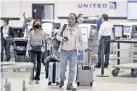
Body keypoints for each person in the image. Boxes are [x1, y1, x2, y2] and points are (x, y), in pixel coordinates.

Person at [56, 13, 88, 91]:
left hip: (73, 51)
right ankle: (62, 80)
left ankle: (70, 84)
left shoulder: (78, 29)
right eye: (69, 18)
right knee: (62, 68)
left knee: (73, 69)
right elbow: (57, 36)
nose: (70, 20)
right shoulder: (63, 27)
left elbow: (81, 41)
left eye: (72, 18)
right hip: (64, 51)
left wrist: (86, 47)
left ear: (75, 20)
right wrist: (62, 39)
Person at [26, 19, 49, 84]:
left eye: (38, 23)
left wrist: (51, 43)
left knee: (39, 64)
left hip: (40, 49)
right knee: (32, 63)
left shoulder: (42, 32)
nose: (37, 25)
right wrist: (27, 50)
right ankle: (31, 78)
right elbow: (29, 41)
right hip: (32, 49)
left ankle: (37, 78)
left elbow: (46, 40)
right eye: (36, 23)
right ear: (34, 25)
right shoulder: (31, 32)